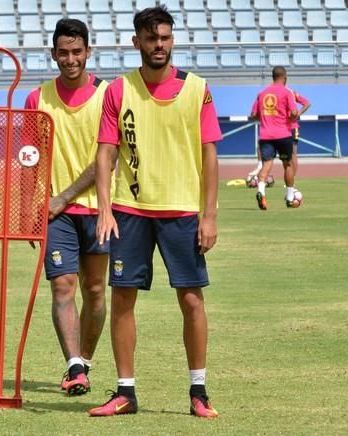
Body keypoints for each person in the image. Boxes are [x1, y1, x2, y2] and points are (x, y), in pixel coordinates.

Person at [91, 6, 221, 418]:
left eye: (164, 38)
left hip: (183, 211)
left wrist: (209, 214)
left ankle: (198, 391)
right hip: (131, 211)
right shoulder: (118, 90)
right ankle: (125, 392)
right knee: (122, 297)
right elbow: (106, 153)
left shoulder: (197, 89)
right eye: (151, 39)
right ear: (137, 43)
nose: (158, 45)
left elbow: (210, 154)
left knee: (191, 300)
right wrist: (105, 210)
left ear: (172, 40)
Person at [23, 18, 109, 396]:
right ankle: (74, 365)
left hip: (100, 210)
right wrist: (27, 207)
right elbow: (29, 158)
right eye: (63, 52)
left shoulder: (109, 95)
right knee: (63, 287)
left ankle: (85, 361)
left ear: (88, 52)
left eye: (77, 52)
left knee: (95, 291)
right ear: (53, 54)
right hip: (54, 214)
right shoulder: (37, 99)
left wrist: (64, 196)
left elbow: (110, 159)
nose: (70, 59)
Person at [250, 66, 299, 210]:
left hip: (265, 135)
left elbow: (253, 115)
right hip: (283, 134)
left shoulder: (262, 93)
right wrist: (290, 116)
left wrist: (265, 117)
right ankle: (290, 198)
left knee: (266, 165)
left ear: (272, 77)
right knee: (288, 164)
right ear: (285, 77)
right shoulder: (286, 92)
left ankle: (261, 191)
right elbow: (294, 112)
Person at [247, 84, 310, 180]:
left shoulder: (290, 92)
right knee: (262, 147)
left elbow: (306, 103)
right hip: (279, 128)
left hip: (292, 127)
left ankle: (292, 178)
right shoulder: (268, 94)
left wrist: (298, 114)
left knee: (292, 153)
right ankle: (261, 169)